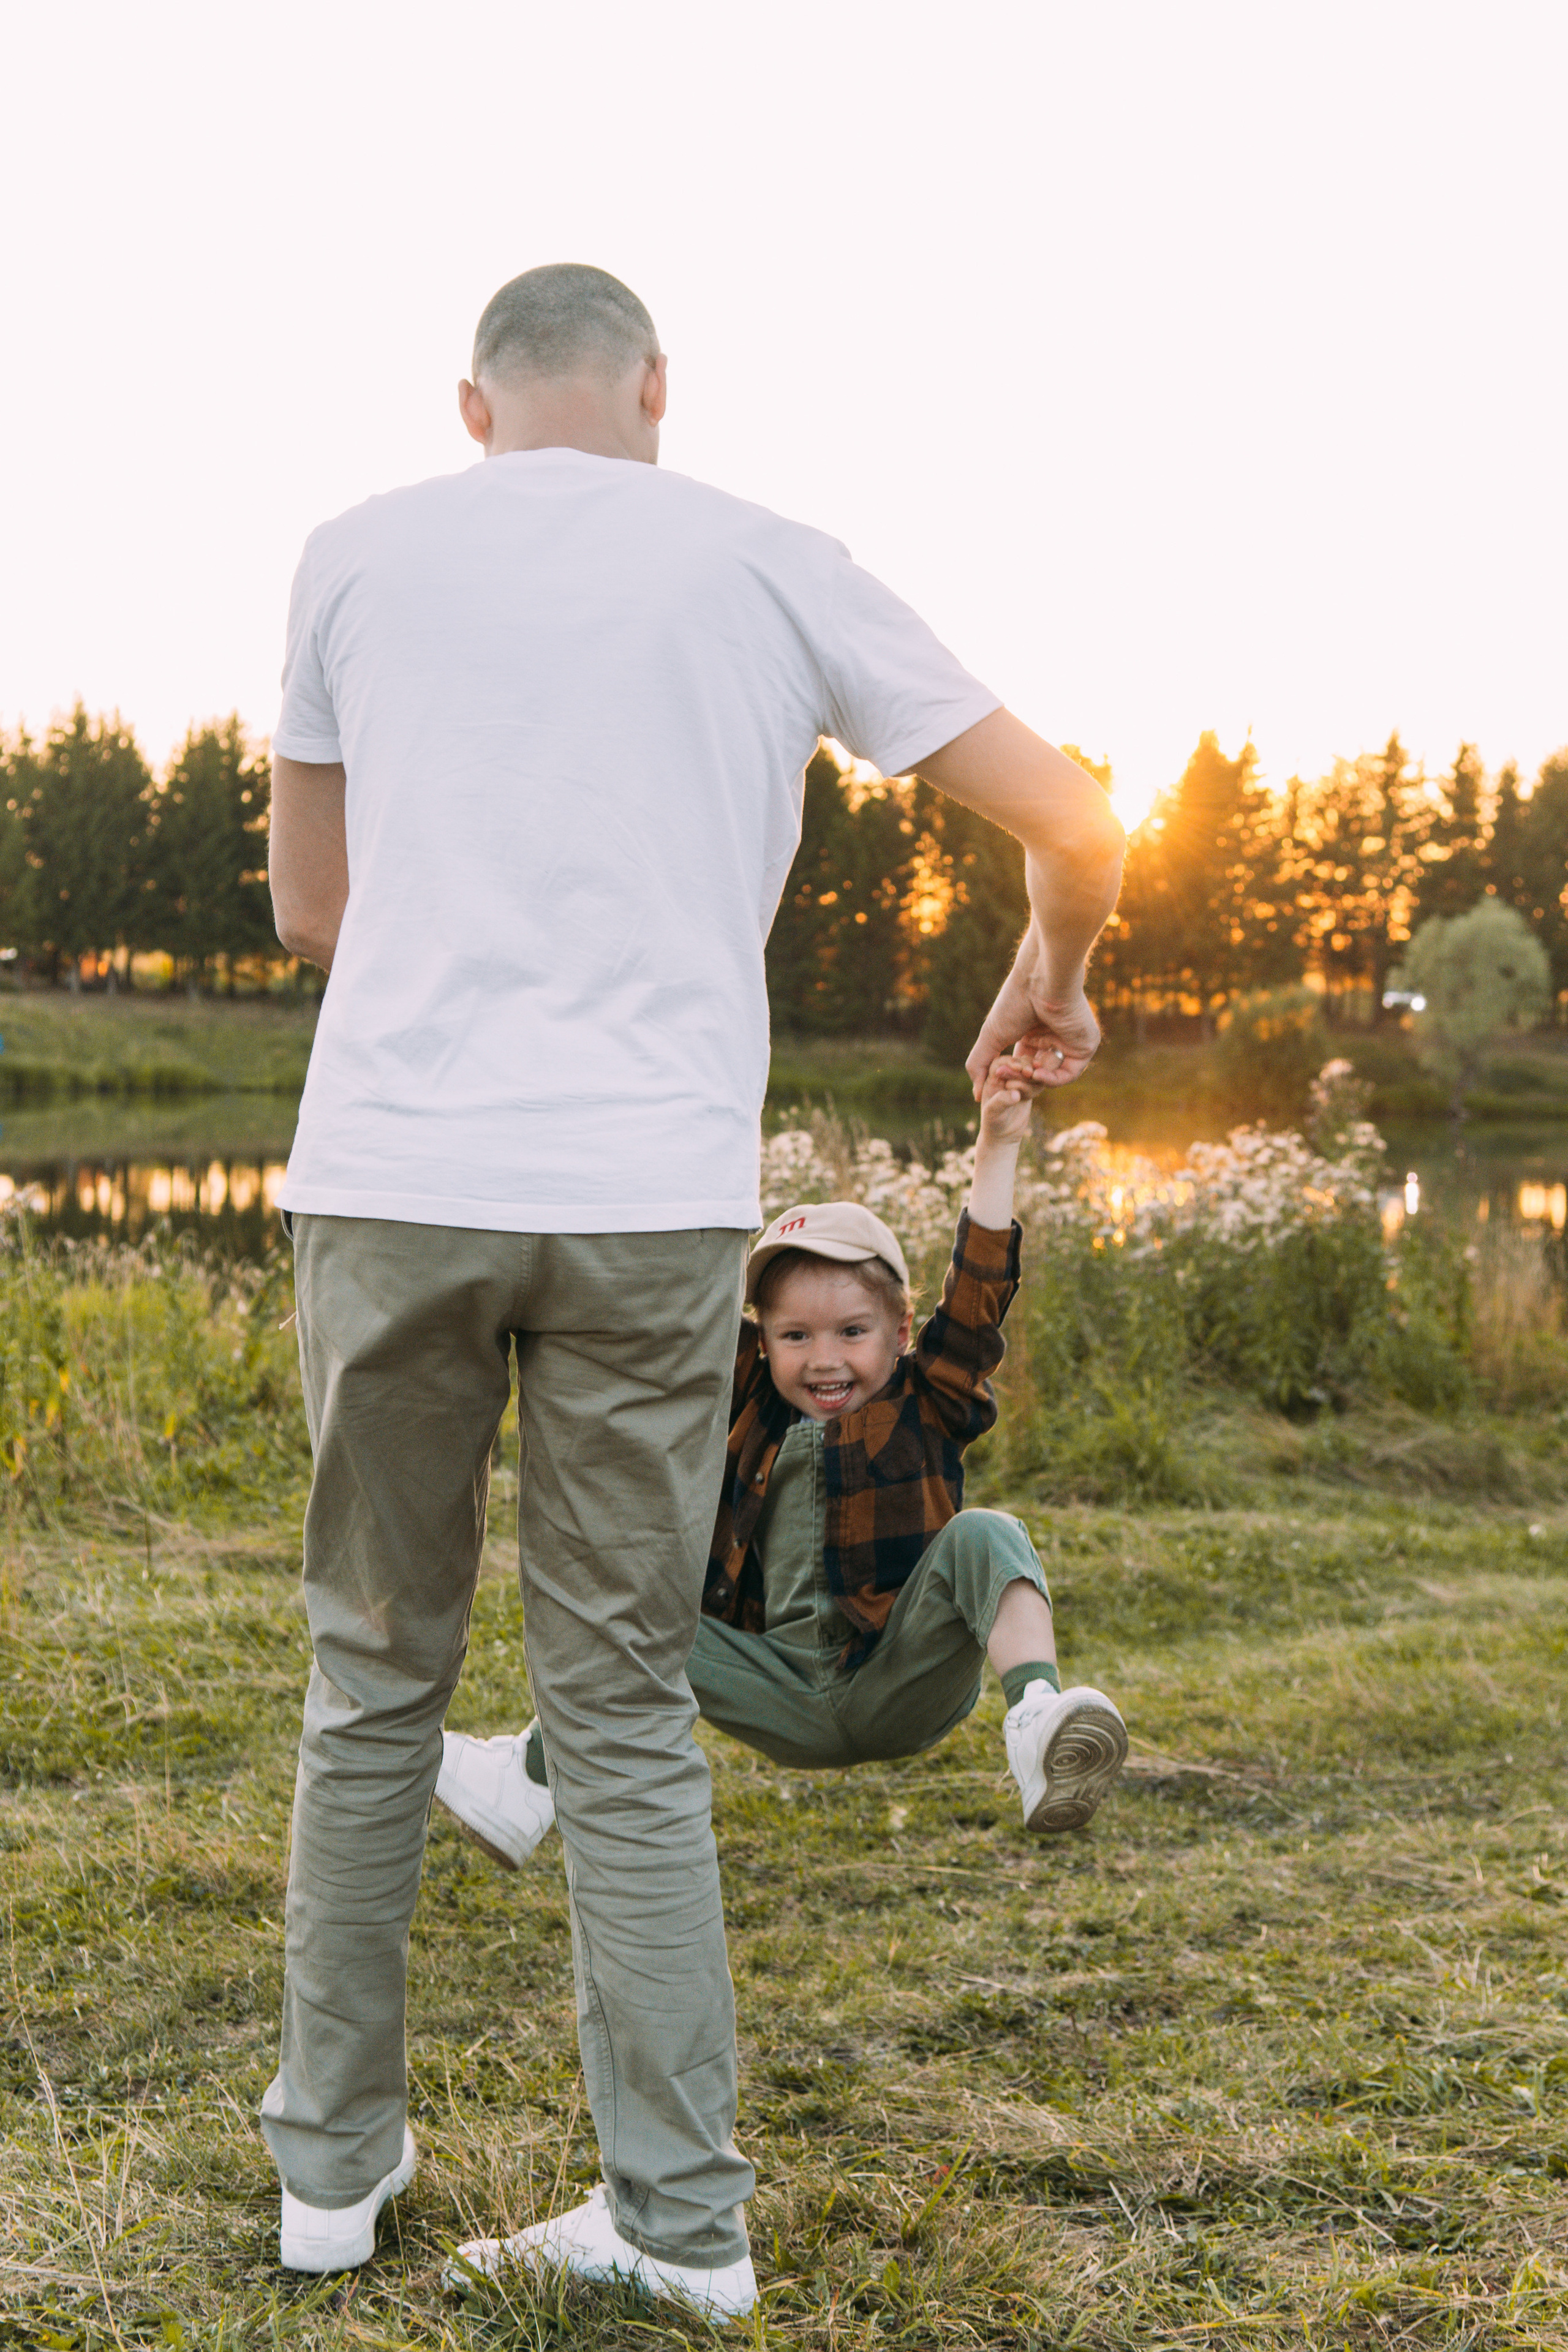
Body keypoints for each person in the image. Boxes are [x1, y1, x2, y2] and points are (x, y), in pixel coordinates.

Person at [263, 260, 1125, 2317]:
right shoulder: (766, 558)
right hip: (650, 1200)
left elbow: (312, 911)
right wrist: (1048, 975)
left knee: (373, 1676)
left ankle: (328, 2185)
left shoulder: (353, 554)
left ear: (469, 407)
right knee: (625, 1710)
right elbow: (1073, 820)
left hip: (395, 1177)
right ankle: (678, 2226)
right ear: (658, 386)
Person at [436, 1052, 1127, 1904]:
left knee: (989, 1533)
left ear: (901, 1329)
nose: (825, 1359)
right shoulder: (747, 1399)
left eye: (852, 1331)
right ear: (762, 1340)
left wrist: (998, 1141)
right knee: (643, 1611)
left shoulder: (926, 1397)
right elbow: (674, 1288)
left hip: (896, 1677)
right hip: (778, 1689)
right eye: (794, 1335)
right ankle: (527, 1788)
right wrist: (611, 1132)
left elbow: (981, 1286)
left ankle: (1034, 1718)